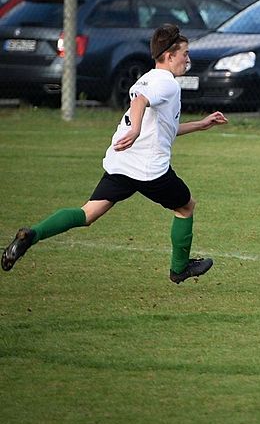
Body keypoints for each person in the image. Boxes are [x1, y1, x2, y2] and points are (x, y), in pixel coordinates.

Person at [1, 24, 228, 283]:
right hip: (148, 169)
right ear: (168, 55)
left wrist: (202, 124)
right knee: (186, 206)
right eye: (184, 53)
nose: (188, 59)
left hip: (122, 162)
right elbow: (139, 100)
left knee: (87, 214)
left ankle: (32, 235)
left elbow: (163, 127)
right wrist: (136, 130)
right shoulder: (166, 84)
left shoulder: (150, 78)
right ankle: (179, 269)